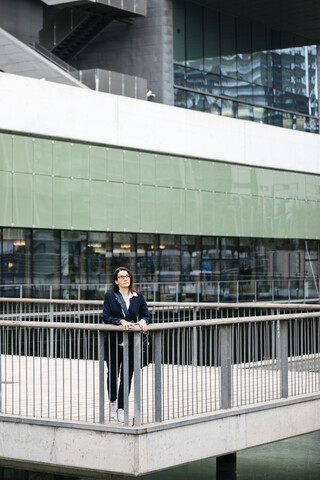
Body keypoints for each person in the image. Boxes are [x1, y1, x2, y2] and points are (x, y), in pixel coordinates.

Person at [102, 267, 151, 422]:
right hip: (114, 341)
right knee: (112, 375)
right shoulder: (110, 296)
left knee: (127, 376)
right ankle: (113, 403)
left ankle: (122, 408)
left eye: (127, 276)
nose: (125, 278)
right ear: (116, 281)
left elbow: (146, 314)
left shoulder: (138, 296)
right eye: (121, 277)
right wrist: (120, 321)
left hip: (131, 342)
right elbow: (106, 316)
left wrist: (143, 321)